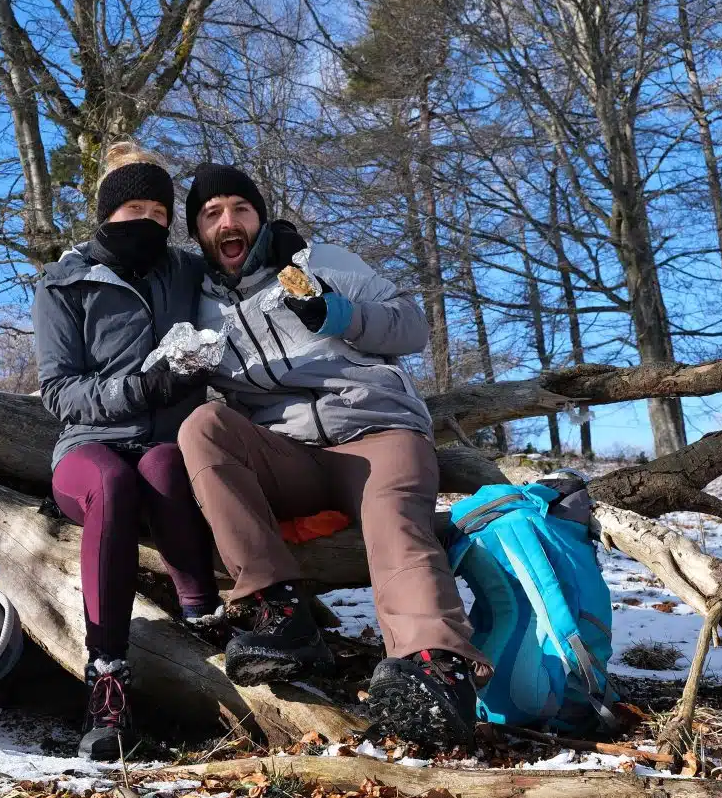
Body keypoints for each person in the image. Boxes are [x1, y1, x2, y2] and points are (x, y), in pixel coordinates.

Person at [176, 163, 491, 752]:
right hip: (288, 451)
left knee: (396, 525)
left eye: (240, 208)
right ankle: (280, 613)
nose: (228, 221)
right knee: (203, 427)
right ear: (198, 233)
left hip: (376, 432)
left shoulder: (322, 262)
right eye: (211, 214)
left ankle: (435, 666)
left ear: (260, 217)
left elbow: (412, 328)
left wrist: (338, 313)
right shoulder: (195, 306)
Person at [33, 143, 221, 761]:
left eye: (159, 211)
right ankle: (107, 676)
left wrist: (275, 241)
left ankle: (204, 615)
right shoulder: (65, 283)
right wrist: (138, 387)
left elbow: (240, 268)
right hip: (88, 451)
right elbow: (59, 392)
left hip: (166, 441)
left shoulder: (186, 271)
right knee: (112, 484)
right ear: (107, 212)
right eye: (133, 206)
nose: (148, 220)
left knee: (168, 464)